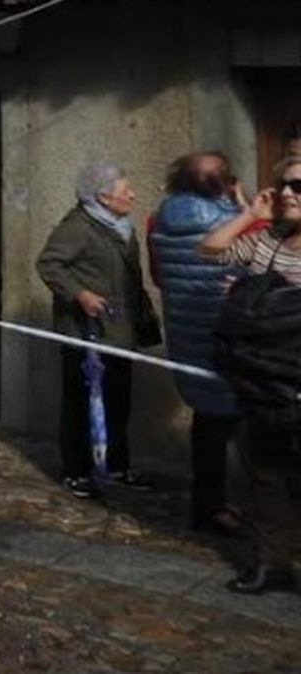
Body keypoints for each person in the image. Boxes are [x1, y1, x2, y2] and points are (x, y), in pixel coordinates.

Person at [200, 156, 301, 594]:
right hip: (262, 381)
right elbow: (209, 249)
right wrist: (249, 215)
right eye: (284, 185)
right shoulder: (268, 240)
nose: (288, 193)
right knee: (266, 476)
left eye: (300, 186)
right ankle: (270, 564)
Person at [36, 162, 161, 500]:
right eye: (125, 191)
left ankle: (117, 466)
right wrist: (80, 293)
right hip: (84, 332)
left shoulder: (121, 227)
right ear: (103, 198)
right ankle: (76, 472)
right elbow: (48, 263)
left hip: (119, 330)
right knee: (79, 403)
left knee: (118, 400)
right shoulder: (77, 227)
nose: (133, 195)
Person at [146, 152, 246, 534]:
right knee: (252, 434)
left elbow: (158, 277)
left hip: (187, 339)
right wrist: (244, 206)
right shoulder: (237, 223)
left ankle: (208, 505)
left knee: (208, 425)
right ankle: (251, 513)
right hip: (232, 340)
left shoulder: (159, 220)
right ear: (227, 182)